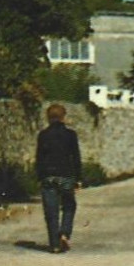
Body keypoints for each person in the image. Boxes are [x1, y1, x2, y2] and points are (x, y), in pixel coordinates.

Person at [34, 103, 82, 254]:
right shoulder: (70, 135)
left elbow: (39, 158)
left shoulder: (43, 135)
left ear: (48, 118)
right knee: (69, 206)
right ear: (63, 117)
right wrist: (79, 178)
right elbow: (76, 157)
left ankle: (54, 245)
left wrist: (39, 177)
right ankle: (64, 233)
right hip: (66, 175)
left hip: (48, 177)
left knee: (51, 211)